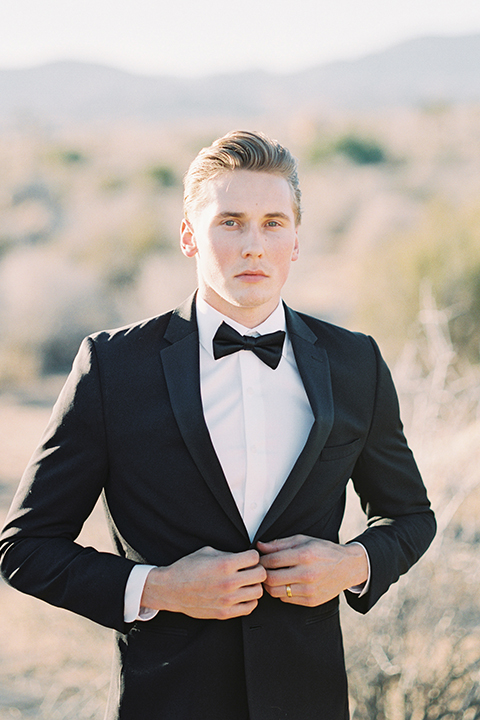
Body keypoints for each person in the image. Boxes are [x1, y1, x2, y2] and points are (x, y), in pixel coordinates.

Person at [0, 130, 435, 720]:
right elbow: (26, 549)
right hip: (165, 702)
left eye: (273, 223)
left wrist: (352, 563)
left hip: (309, 701)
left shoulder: (355, 362)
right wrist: (157, 587)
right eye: (229, 221)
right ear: (188, 236)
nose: (254, 245)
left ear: (297, 240)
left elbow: (410, 517)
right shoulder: (112, 367)